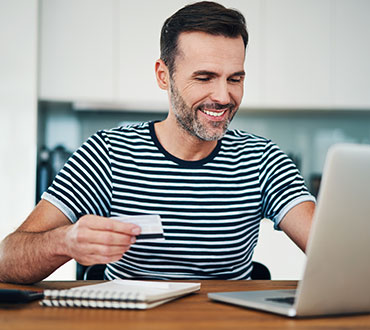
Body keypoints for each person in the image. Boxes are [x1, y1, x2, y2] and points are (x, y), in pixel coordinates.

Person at [0, 1, 315, 284]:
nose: (223, 96)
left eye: (235, 79)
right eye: (204, 78)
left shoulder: (264, 160)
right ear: (163, 76)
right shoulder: (108, 154)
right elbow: (7, 261)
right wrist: (64, 242)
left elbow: (330, 249)